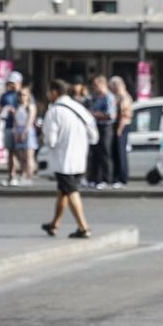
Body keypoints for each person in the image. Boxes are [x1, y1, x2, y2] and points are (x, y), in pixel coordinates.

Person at [41, 79, 98, 239]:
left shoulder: (54, 111)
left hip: (63, 160)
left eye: (48, 92)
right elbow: (94, 137)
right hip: (80, 158)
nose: (47, 95)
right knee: (63, 191)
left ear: (54, 92)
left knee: (71, 191)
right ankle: (54, 224)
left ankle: (83, 227)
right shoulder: (79, 108)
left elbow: (50, 140)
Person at [88, 75, 116, 189]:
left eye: (96, 85)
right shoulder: (97, 97)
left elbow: (110, 115)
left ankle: (106, 178)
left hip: (106, 127)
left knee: (105, 153)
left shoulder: (108, 97)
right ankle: (95, 178)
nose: (94, 88)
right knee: (96, 153)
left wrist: (94, 114)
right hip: (97, 126)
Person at [11, 82, 39, 186]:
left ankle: (29, 176)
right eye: (20, 94)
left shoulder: (31, 106)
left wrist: (24, 132)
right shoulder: (18, 107)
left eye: (24, 94)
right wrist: (15, 132)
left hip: (27, 131)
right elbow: (15, 121)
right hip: (18, 130)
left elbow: (30, 121)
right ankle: (23, 174)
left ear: (28, 96)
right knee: (21, 157)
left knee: (29, 156)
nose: (22, 97)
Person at [0, 72, 22, 186]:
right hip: (8, 127)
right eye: (10, 83)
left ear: (19, 83)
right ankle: (11, 176)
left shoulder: (23, 94)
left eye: (14, 83)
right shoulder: (5, 95)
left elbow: (30, 110)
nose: (11, 85)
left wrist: (16, 111)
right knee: (10, 152)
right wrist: (3, 110)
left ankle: (23, 175)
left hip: (20, 128)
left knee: (21, 153)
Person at [110, 76, 133, 188]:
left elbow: (125, 115)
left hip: (122, 126)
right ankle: (116, 177)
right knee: (116, 152)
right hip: (119, 126)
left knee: (120, 152)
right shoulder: (118, 97)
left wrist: (119, 129)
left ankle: (122, 177)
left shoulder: (124, 97)